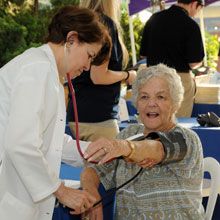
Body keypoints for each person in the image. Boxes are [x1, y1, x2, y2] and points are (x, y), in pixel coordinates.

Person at [0, 5, 111, 220]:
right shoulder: (37, 69)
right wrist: (61, 191)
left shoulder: (47, 73)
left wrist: (89, 151)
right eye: (89, 55)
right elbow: (21, 144)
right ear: (72, 39)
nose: (88, 66)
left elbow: (46, 138)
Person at [81, 64, 205, 219]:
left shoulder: (187, 139)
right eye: (144, 97)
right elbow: (93, 168)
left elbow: (157, 149)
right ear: (137, 103)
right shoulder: (129, 134)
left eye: (160, 97)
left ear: (175, 103)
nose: (151, 103)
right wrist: (91, 193)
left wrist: (125, 147)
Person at [66, 0, 136, 141]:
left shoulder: (79, 23)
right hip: (99, 117)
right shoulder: (103, 24)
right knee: (107, 162)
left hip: (78, 113)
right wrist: (128, 75)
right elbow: (98, 76)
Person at [140, 0, 205, 117]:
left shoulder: (154, 19)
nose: (196, 13)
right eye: (199, 8)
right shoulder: (191, 25)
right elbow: (194, 62)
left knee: (154, 122)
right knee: (178, 125)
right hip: (179, 80)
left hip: (153, 78)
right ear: (194, 4)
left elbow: (144, 54)